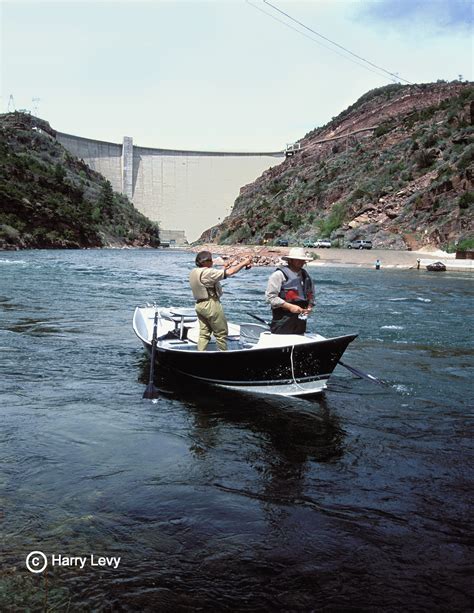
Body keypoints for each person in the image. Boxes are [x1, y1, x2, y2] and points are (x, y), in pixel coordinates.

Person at [189, 250, 252, 351]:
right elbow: (231, 272)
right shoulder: (208, 272)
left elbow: (211, 279)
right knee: (221, 333)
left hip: (200, 305)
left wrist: (224, 269)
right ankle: (223, 356)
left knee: (204, 334)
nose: (212, 262)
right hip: (211, 305)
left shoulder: (194, 272)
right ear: (205, 262)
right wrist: (244, 263)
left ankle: (200, 353)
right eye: (210, 260)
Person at [265, 247, 314, 335]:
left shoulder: (306, 276)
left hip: (300, 322)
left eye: (303, 260)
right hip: (282, 319)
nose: (301, 262)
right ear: (290, 260)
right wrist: (290, 307)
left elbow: (311, 295)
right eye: (298, 260)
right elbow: (270, 298)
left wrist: (309, 307)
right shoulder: (278, 275)